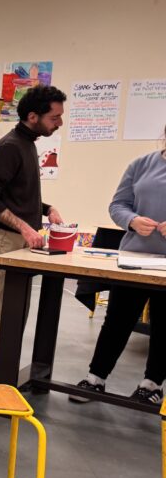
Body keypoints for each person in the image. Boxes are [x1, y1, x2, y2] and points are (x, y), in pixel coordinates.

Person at [0, 85, 67, 382]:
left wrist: (47, 209)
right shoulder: (10, 146)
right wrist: (24, 227)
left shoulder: (28, 143)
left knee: (12, 313)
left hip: (18, 242)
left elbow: (16, 195)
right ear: (33, 116)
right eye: (54, 117)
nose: (59, 123)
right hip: (3, 242)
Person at [73, 133, 166, 405]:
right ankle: (95, 379)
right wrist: (132, 220)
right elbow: (118, 205)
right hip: (134, 259)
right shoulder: (141, 164)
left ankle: (152, 386)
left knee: (164, 324)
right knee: (117, 320)